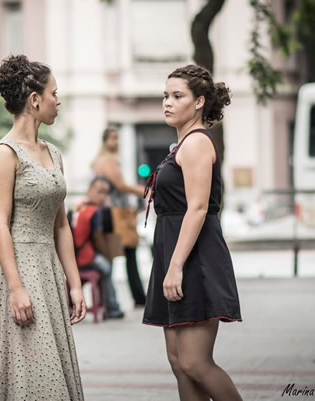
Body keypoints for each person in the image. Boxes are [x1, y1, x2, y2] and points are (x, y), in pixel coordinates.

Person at [0, 54, 86, 401]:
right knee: (25, 368)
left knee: (50, 368)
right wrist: (15, 288)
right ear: (34, 100)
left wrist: (76, 283)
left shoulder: (53, 152)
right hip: (17, 269)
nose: (58, 100)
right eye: (54, 93)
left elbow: (62, 226)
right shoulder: (3, 154)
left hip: (48, 270)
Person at [142, 64, 242, 401]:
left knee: (196, 362)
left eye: (177, 96)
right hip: (175, 252)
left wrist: (175, 266)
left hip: (193, 258)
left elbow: (198, 209)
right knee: (178, 361)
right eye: (165, 96)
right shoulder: (181, 145)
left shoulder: (197, 143)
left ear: (199, 102)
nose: (167, 103)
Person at [92, 126, 147, 306]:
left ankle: (112, 302)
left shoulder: (108, 160)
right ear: (105, 141)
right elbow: (121, 185)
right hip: (115, 214)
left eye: (117, 138)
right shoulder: (106, 160)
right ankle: (128, 299)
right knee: (123, 255)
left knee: (115, 257)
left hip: (116, 212)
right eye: (113, 138)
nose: (116, 142)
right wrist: (145, 191)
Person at [71, 177, 124, 319]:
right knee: (107, 267)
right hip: (86, 257)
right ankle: (112, 308)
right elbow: (98, 238)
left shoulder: (76, 208)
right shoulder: (96, 211)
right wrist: (106, 255)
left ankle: (72, 303)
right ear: (89, 191)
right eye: (100, 192)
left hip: (73, 257)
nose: (103, 196)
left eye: (105, 193)